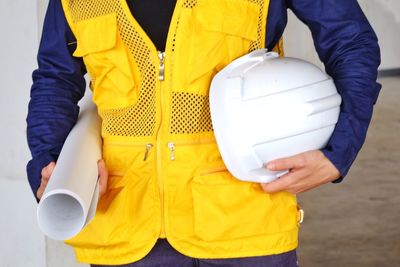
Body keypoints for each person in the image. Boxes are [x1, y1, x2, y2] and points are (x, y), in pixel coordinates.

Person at [26, 0, 381, 266]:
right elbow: (55, 79)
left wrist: (339, 151)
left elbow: (349, 39)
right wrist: (50, 165)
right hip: (123, 226)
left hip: (244, 226)